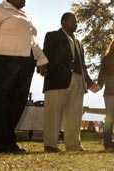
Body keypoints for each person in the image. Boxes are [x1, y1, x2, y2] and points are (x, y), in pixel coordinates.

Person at [0, 0, 49, 153]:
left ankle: (8, 142)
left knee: (16, 104)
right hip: (1, 61)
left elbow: (34, 43)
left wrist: (42, 60)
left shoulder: (26, 18)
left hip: (25, 64)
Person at [42, 12, 100, 152]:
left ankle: (74, 145)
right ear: (63, 22)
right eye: (72, 21)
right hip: (57, 81)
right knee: (53, 114)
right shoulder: (52, 36)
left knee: (74, 115)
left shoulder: (79, 42)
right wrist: (42, 66)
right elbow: (45, 55)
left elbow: (83, 66)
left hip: (78, 81)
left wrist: (90, 83)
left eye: (76, 22)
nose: (76, 24)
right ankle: (50, 145)